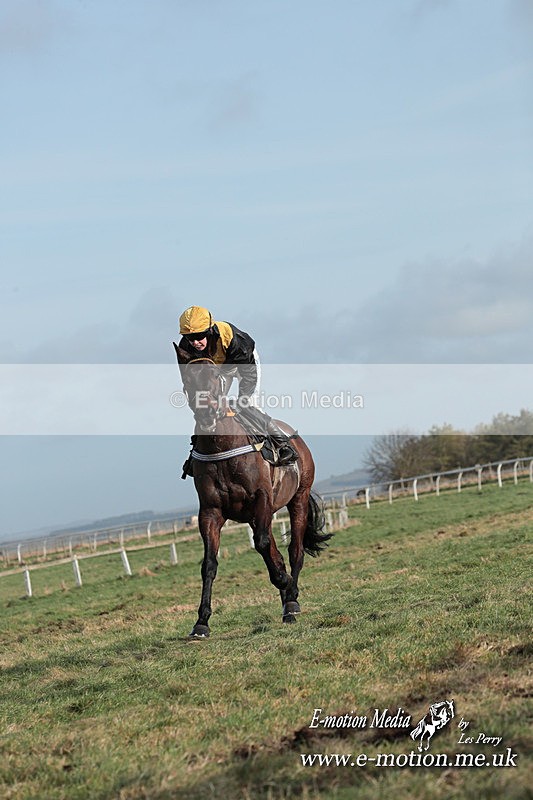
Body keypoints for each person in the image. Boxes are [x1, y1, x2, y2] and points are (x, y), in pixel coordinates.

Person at [175, 305, 298, 465]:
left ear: (210, 330)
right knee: (204, 405)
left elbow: (248, 374)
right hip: (217, 371)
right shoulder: (185, 348)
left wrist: (243, 399)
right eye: (190, 338)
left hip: (244, 366)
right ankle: (197, 455)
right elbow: (190, 382)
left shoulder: (233, 338)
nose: (195, 342)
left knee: (246, 405)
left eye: (200, 336)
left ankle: (283, 444)